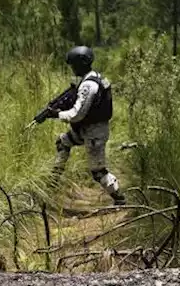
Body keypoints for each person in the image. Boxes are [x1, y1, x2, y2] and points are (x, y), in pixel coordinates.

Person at [36, 45, 127, 206]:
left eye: (73, 65)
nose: (72, 68)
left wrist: (55, 114)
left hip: (94, 134)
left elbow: (77, 115)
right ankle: (53, 182)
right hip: (88, 130)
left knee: (98, 172)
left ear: (81, 64)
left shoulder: (88, 85)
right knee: (63, 142)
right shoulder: (95, 77)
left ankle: (120, 199)